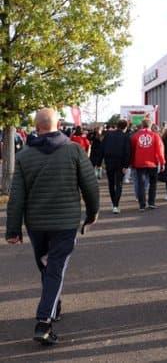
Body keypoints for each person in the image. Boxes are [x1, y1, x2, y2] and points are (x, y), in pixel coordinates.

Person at [5, 108, 99, 345]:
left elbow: (16, 197)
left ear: (37, 127)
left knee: (48, 268)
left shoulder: (24, 156)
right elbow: (90, 186)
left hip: (36, 224)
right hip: (65, 222)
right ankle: (44, 322)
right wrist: (92, 213)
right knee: (55, 268)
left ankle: (53, 307)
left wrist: (13, 230)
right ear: (58, 125)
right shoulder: (74, 150)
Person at [130, 119, 166, 211]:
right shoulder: (155, 136)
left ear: (142, 125)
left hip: (139, 163)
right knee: (153, 183)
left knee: (141, 184)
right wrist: (162, 162)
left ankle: (142, 205)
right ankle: (151, 203)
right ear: (151, 126)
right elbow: (160, 150)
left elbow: (132, 150)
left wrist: (132, 162)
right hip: (152, 163)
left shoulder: (135, 136)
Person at [100, 119, 131, 214]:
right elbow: (127, 152)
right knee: (119, 184)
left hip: (109, 161)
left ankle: (114, 203)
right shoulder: (126, 137)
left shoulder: (108, 135)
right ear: (125, 127)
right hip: (120, 162)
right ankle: (116, 205)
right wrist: (126, 165)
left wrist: (99, 162)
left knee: (111, 183)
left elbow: (102, 148)